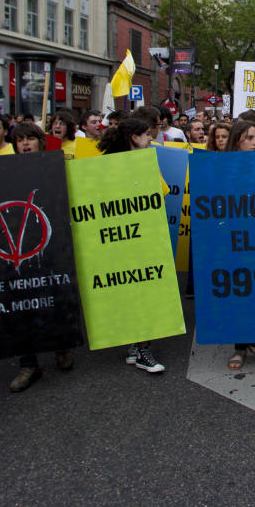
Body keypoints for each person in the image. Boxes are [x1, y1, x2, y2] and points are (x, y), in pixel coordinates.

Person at [5, 126, 75, 391]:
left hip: (51, 243)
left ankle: (61, 346)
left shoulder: (55, 166)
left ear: (41, 142)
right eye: (20, 140)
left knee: (53, 298)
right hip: (19, 248)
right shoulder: (3, 170)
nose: (25, 144)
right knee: (23, 304)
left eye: (30, 139)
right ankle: (28, 363)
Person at [96, 118, 168, 373]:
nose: (151, 139)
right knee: (141, 292)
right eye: (147, 135)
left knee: (136, 290)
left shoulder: (131, 162)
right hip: (131, 239)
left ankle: (134, 346)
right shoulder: (120, 166)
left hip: (134, 237)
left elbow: (161, 191)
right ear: (134, 138)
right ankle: (141, 350)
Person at [223, 120, 255, 370]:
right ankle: (240, 347)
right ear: (236, 141)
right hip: (232, 239)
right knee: (238, 290)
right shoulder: (222, 167)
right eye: (249, 138)